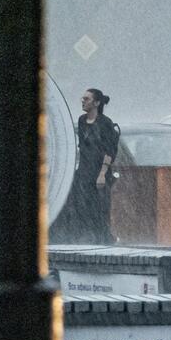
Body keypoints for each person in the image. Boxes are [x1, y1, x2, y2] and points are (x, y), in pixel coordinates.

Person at [65, 88, 119, 243]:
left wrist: (102, 173)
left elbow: (109, 150)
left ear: (96, 103)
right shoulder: (82, 121)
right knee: (82, 205)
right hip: (84, 170)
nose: (83, 101)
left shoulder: (105, 123)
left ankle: (103, 237)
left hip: (99, 170)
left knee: (99, 207)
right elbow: (82, 146)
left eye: (87, 99)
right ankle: (86, 236)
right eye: (83, 98)